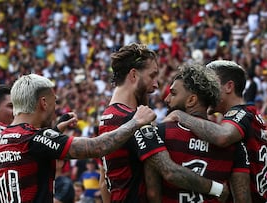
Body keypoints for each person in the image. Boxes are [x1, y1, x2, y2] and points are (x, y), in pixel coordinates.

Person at [0, 73, 157, 203]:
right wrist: (135, 122)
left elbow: (29, 150)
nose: (56, 108)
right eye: (55, 101)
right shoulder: (33, 139)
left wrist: (55, 131)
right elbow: (97, 147)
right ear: (43, 103)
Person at [98, 43, 228, 203]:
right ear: (133, 75)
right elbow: (169, 171)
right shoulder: (133, 121)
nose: (155, 85)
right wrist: (218, 189)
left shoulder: (107, 116)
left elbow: (103, 183)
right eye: (152, 76)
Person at [164, 60, 267, 202]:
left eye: (211, 83)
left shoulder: (241, 114)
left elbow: (223, 136)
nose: (207, 89)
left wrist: (180, 115)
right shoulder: (255, 118)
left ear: (229, 87)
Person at [149, 63, 249, 202]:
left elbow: (153, 194)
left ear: (191, 100)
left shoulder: (160, 133)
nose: (166, 99)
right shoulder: (235, 145)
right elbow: (243, 199)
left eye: (173, 93)